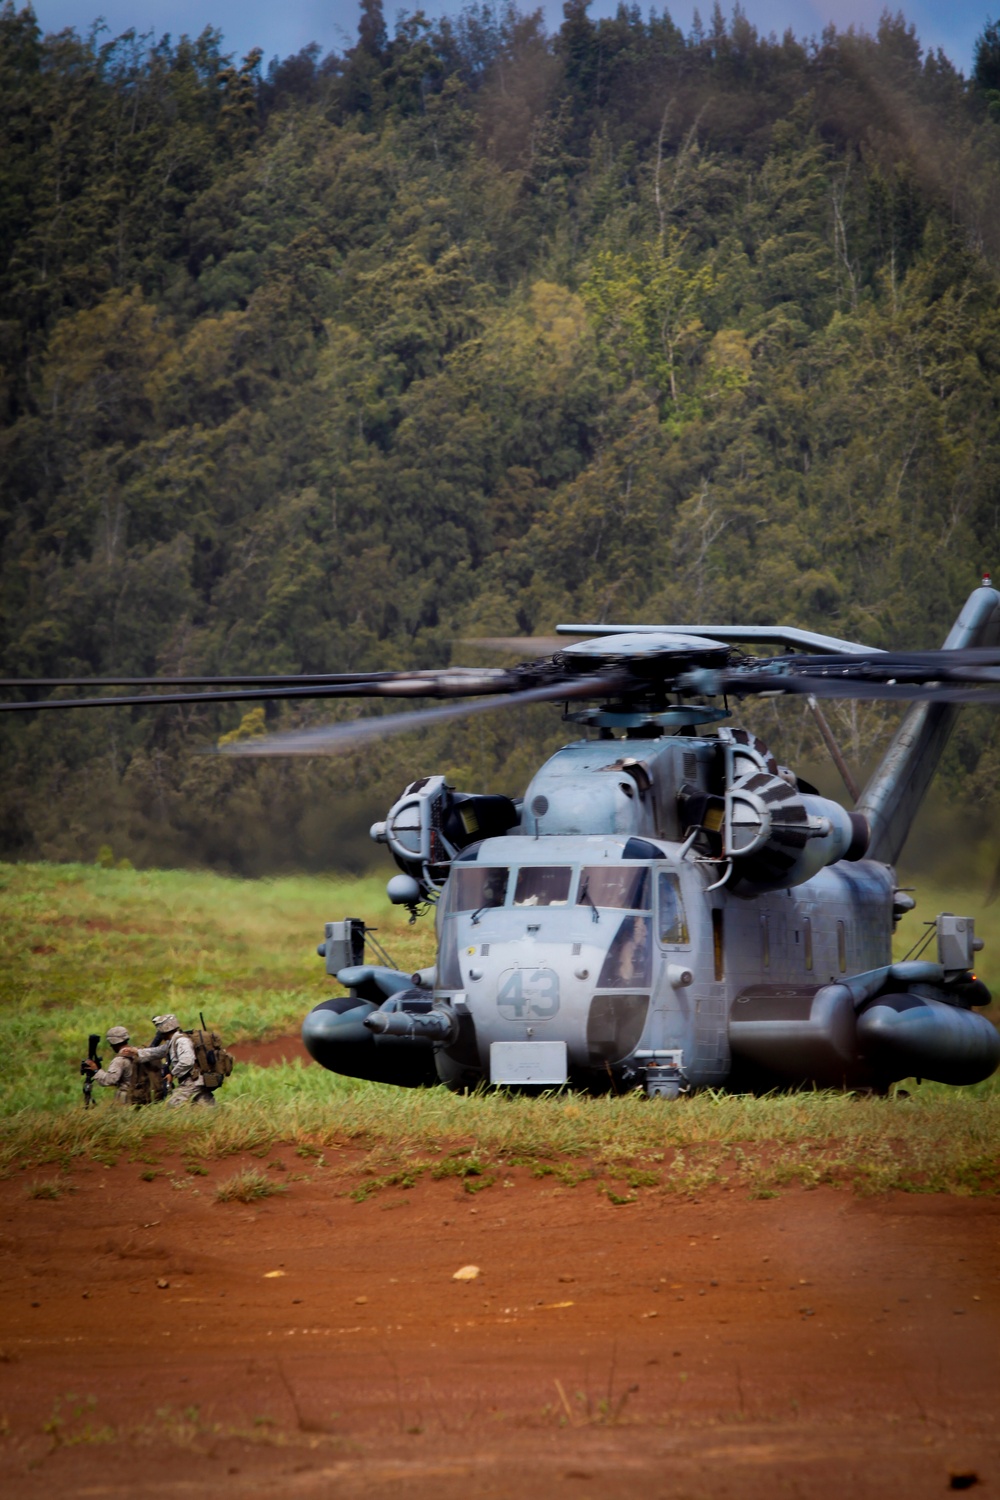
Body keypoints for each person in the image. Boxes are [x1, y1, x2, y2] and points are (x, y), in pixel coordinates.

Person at [122, 1014, 215, 1108]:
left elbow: (187, 1061)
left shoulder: (181, 1041)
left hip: (192, 1080)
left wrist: (172, 1074)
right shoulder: (173, 1041)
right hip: (197, 1080)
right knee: (207, 1107)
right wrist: (137, 1051)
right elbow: (158, 1051)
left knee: (171, 1105)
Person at [82, 1026, 133, 1104]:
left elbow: (110, 1080)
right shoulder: (137, 1053)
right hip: (140, 1095)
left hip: (126, 1098)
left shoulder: (119, 1060)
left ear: (113, 1042)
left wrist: (96, 1070)